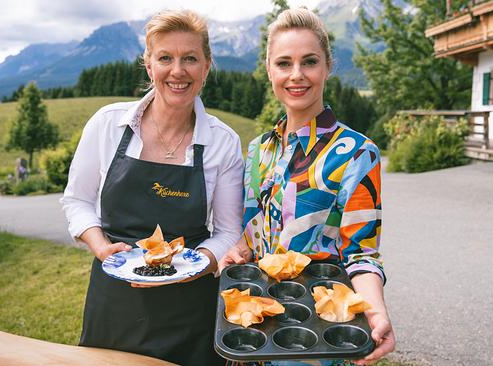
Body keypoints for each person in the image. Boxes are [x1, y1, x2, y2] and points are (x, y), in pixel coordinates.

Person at [61, 9, 244, 365]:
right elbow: (77, 200)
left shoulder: (223, 141)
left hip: (189, 308)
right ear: (149, 65)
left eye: (190, 58)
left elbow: (227, 231)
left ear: (207, 67)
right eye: (165, 58)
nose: (178, 71)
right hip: (114, 300)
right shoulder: (107, 124)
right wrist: (100, 247)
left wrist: (194, 265)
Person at [218, 7, 395, 366]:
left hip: (314, 339)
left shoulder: (357, 153)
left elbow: (361, 254)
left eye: (309, 62)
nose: (296, 75)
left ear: (328, 66)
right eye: (284, 63)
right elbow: (252, 236)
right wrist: (237, 250)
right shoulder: (259, 150)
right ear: (269, 70)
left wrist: (375, 309)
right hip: (254, 330)